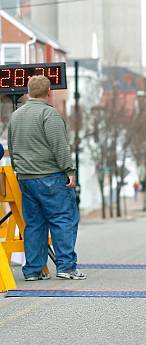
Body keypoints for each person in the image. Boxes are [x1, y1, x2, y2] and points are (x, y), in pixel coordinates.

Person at [7, 76, 86, 281]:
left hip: (25, 178)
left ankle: (33, 270)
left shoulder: (16, 116)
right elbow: (59, 145)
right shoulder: (48, 114)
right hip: (50, 177)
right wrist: (69, 170)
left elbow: (13, 147)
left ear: (29, 92)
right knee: (63, 220)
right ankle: (66, 267)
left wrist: (19, 171)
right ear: (49, 92)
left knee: (34, 224)